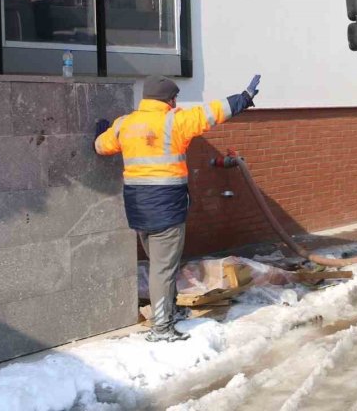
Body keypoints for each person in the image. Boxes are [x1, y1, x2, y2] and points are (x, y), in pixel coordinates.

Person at [94, 74, 261, 342]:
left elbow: (101, 146)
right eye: (174, 97)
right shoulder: (175, 121)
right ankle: (161, 327)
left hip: (138, 207)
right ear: (168, 99)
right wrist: (244, 98)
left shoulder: (125, 124)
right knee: (163, 268)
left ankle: (169, 313)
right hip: (166, 207)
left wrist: (102, 130)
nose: (175, 102)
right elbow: (212, 113)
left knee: (161, 264)